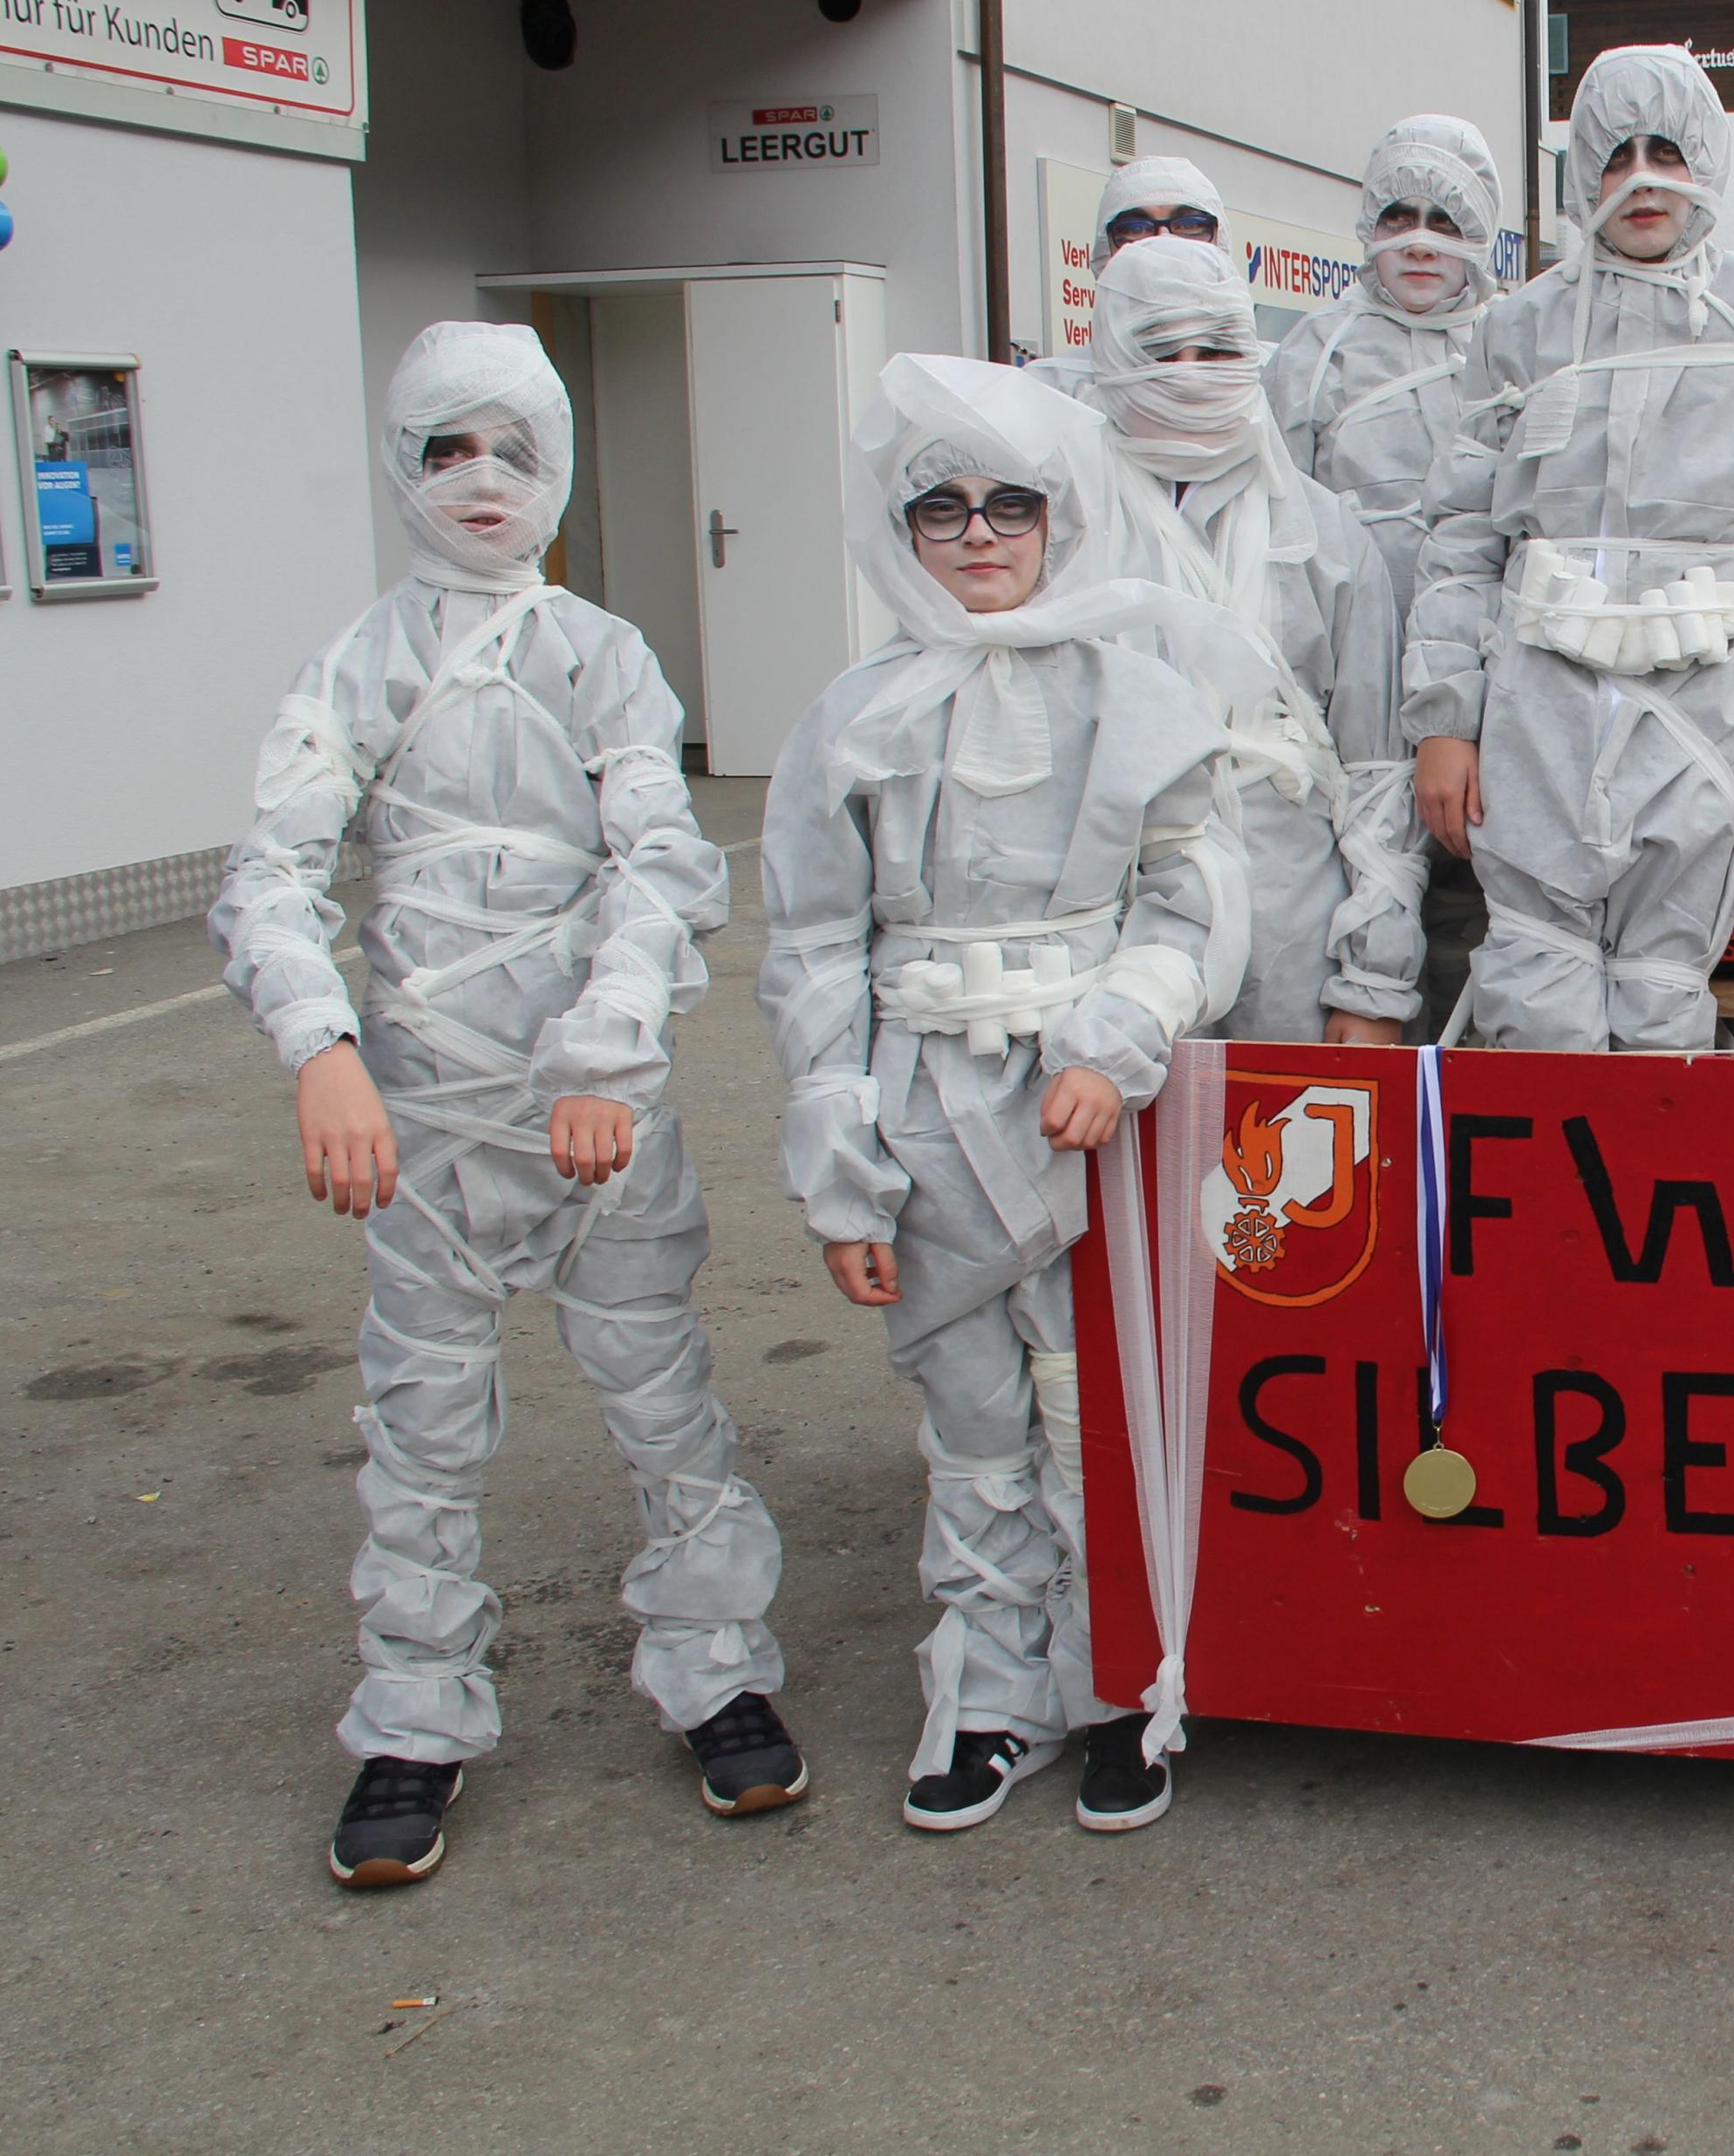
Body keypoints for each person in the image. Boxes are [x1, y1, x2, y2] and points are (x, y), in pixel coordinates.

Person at [212, 322, 797, 1891]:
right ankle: (412, 1710)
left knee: (663, 1398)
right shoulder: (355, 664)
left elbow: (662, 862)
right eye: (446, 446)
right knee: (419, 1427)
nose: (483, 479)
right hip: (426, 1125)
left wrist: (605, 1051)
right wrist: (321, 1046)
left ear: (562, 467)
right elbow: (272, 871)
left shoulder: (601, 656)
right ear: (399, 462)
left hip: (594, 1123)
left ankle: (716, 1666)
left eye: (516, 448)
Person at [757, 355, 1249, 1838]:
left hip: (1091, 1114)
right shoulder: (851, 716)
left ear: (1064, 517)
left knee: (1095, 1412)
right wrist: (839, 1171)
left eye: (1011, 505)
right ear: (897, 528)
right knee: (971, 1420)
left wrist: (1115, 1038)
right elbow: (812, 947)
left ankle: (1119, 1687)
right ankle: (987, 1698)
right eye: (943, 507)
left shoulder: (1137, 696)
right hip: (922, 1110)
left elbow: (1194, 898)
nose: (979, 535)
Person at [1403, 43, 1734, 1051]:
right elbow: (1462, 534)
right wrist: (1444, 724)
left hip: (1698, 690)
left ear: (1707, 163)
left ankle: (1652, 1146)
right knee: (1532, 985)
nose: (1642, 180)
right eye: (1616, 155)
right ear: (1579, 171)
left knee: (1662, 985)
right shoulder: (1520, 329)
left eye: (1667, 152)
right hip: (1538, 696)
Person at [1092, 234, 1423, 1044]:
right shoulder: (1064, 524)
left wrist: (1373, 981)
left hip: (1293, 920)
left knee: (1282, 1126)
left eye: (1215, 351)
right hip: (1108, 910)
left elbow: (1378, 770)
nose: (1191, 375)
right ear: (1111, 356)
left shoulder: (1319, 530)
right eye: (1162, 352)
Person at [1265, 115, 1505, 1040]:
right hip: (1347, 684)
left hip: (1489, 680)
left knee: (1479, 900)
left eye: (1446, 221)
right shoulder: (1312, 355)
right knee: (1362, 883)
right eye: (1399, 216)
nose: (1420, 242)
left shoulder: (1515, 345)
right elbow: (1274, 525)